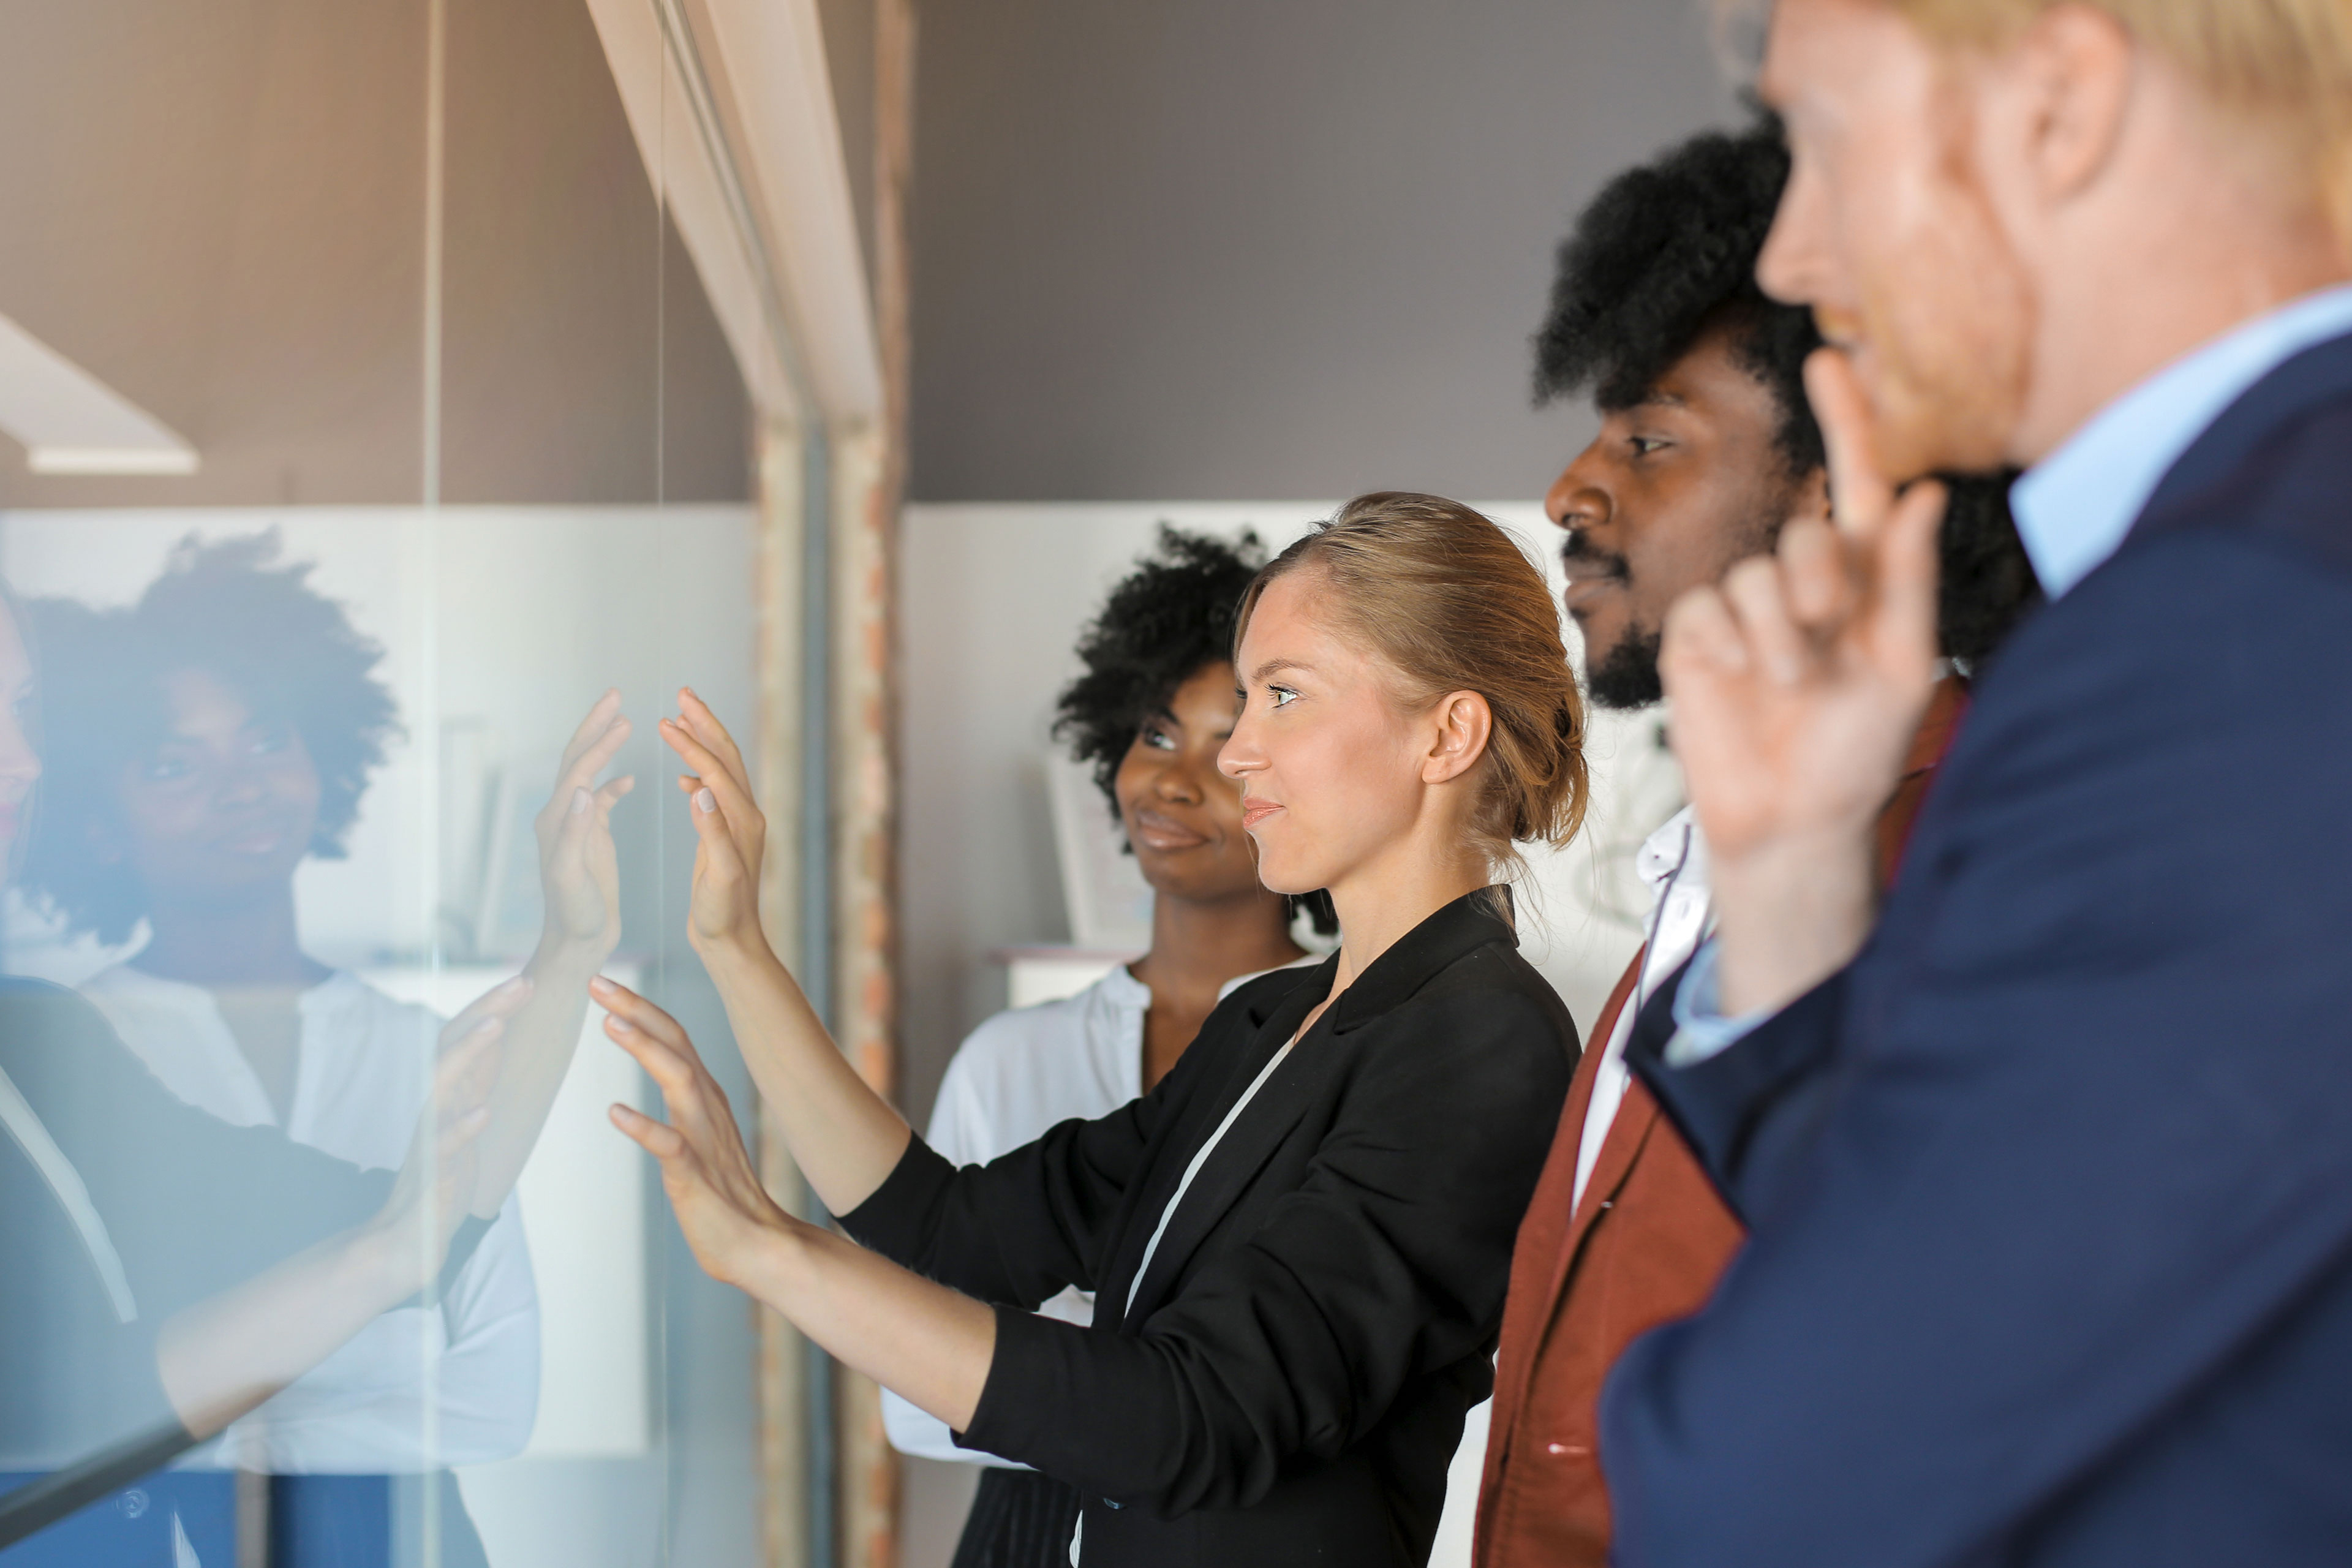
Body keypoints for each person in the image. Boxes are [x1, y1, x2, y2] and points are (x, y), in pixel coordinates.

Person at [1595, 2, 2352, 1564]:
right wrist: (1795, 873)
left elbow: (1777, 1476)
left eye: (1817, 138)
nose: (1796, 255)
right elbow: (2006, 1281)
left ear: (2061, 105)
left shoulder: (2241, 626)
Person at [603, 493, 1586, 1567]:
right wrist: (738, 948)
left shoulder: (1484, 1042)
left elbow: (1197, 1416)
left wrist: (772, 1254)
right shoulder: (1272, 1021)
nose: (1239, 754)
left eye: (1284, 697)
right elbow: (956, 1231)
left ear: (1447, 733)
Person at [1471, 121, 2039, 1567]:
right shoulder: (1698, 871)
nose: (1569, 491)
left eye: (1652, 439)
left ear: (1837, 481)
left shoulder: (1987, 865)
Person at [0, 578, 624, 1562]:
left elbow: (424, 1239)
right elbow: (67, 1410)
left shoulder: (37, 1036)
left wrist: (570, 950)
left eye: (26, 710)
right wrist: (352, 1288)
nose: (26, 761)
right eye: (172, 763)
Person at [884, 526, 1329, 1568]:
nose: (1174, 783)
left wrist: (1031, 1357)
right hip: (1026, 1539)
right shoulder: (1008, 1057)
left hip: (1251, 1535)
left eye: (1228, 749)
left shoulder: (1349, 1041)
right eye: (1157, 735)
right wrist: (1153, 1371)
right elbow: (909, 1397)